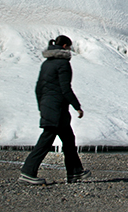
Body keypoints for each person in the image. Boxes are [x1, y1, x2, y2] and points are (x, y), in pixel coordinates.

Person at [19, 35, 90, 185]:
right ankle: (27, 172)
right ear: (64, 46)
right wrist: (77, 106)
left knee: (69, 140)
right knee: (46, 140)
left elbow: (38, 88)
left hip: (50, 107)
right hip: (57, 109)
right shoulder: (63, 64)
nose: (70, 50)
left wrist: (42, 107)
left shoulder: (46, 64)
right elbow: (65, 88)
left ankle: (75, 172)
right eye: (69, 47)